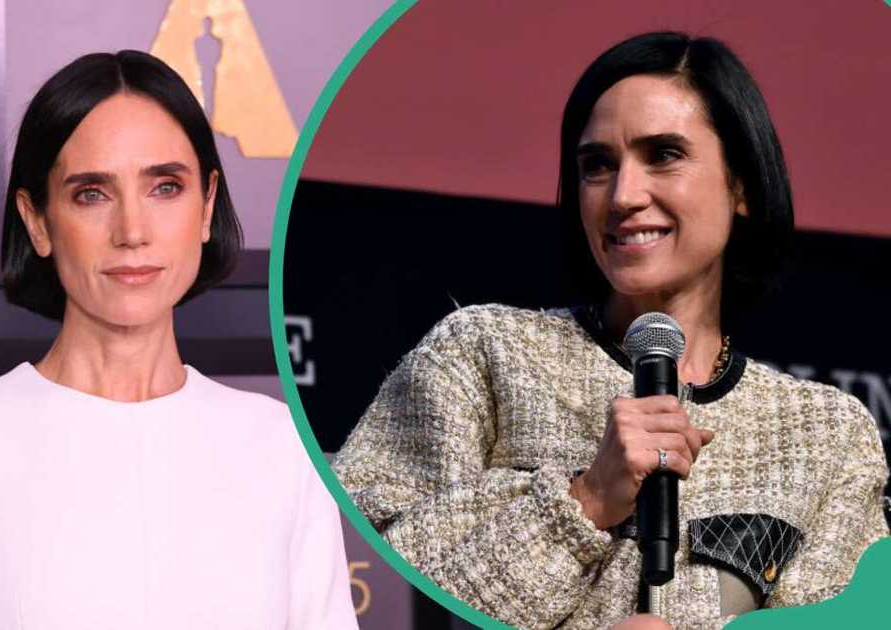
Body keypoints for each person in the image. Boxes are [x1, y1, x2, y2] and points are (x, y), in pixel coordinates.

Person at [331, 31, 888, 629]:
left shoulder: (826, 434)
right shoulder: (481, 353)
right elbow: (357, 585)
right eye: (597, 165)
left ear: (741, 184)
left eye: (664, 155)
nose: (623, 195)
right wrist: (587, 499)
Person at [0, 50, 357, 629]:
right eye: (91, 193)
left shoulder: (285, 449)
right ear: (37, 220)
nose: (132, 232)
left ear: (207, 205)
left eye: (165, 187)